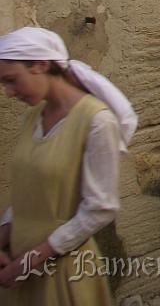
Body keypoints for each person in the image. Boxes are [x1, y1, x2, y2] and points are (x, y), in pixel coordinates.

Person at [0, 27, 137, 306]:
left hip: (61, 270)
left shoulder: (96, 122)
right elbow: (30, 193)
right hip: (18, 267)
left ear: (41, 65)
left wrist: (32, 260)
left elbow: (100, 209)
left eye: (12, 81)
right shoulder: (32, 118)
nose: (8, 93)